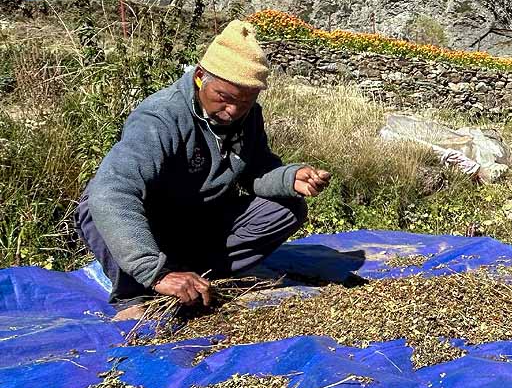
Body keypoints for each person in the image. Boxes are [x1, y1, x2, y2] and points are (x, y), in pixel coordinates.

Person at [76, 20, 332, 320]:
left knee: (287, 208)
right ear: (200, 77)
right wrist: (155, 272)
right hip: (150, 221)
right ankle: (134, 292)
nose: (234, 111)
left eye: (246, 102)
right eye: (225, 97)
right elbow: (113, 192)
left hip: (194, 219)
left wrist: (289, 177)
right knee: (98, 204)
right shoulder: (161, 117)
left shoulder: (246, 118)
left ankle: (198, 276)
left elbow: (256, 170)